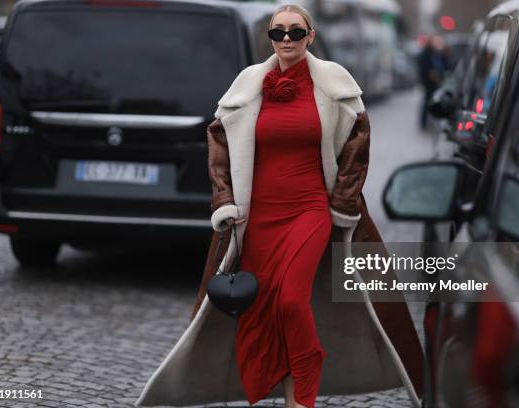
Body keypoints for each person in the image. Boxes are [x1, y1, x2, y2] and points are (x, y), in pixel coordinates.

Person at [135, 5, 424, 408]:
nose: (286, 40)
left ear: (310, 36)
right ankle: (292, 399)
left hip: (310, 211)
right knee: (269, 313)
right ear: (269, 38)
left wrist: (341, 202)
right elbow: (218, 145)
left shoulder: (333, 85)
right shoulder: (248, 85)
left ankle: (303, 395)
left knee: (290, 300)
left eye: (295, 31)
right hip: (257, 219)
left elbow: (357, 146)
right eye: (278, 32)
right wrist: (226, 202)